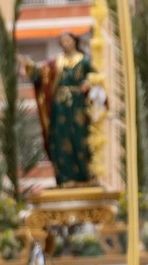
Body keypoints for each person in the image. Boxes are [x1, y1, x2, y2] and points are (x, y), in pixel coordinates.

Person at [24, 32, 100, 188]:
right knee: (60, 139)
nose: (65, 43)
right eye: (62, 41)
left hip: (78, 104)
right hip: (59, 106)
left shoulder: (85, 61)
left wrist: (89, 85)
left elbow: (97, 79)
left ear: (74, 41)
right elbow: (41, 72)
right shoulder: (56, 62)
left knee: (80, 137)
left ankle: (86, 176)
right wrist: (30, 67)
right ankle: (65, 178)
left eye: (68, 40)